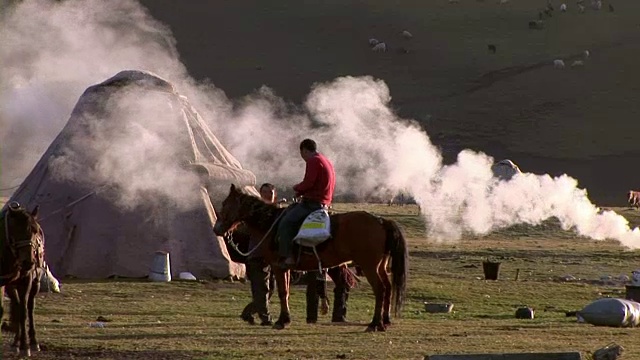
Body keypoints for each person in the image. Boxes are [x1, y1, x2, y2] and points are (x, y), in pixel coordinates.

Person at [277, 139, 335, 268]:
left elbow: (308, 183)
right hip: (324, 202)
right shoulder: (326, 161)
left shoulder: (313, 161)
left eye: (301, 154)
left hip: (312, 203)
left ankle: (288, 256)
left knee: (286, 222)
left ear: (304, 150)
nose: (302, 157)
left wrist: (296, 188)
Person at [236, 183, 279, 326]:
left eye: (270, 193)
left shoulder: (275, 212)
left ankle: (247, 313)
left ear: (274, 196)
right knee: (263, 289)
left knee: (270, 289)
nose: (267, 195)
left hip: (271, 256)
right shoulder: (255, 212)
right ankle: (265, 318)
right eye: (265, 192)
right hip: (257, 255)